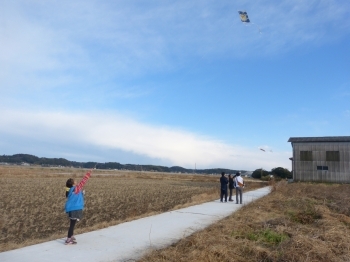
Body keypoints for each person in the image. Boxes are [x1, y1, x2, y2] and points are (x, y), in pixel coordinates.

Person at [64, 170, 92, 245]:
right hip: (75, 209)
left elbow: (76, 197)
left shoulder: (71, 190)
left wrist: (82, 193)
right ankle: (68, 239)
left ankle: (71, 236)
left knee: (73, 223)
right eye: (75, 181)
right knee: (72, 225)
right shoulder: (75, 188)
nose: (76, 181)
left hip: (71, 209)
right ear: (73, 184)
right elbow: (84, 181)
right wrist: (89, 173)